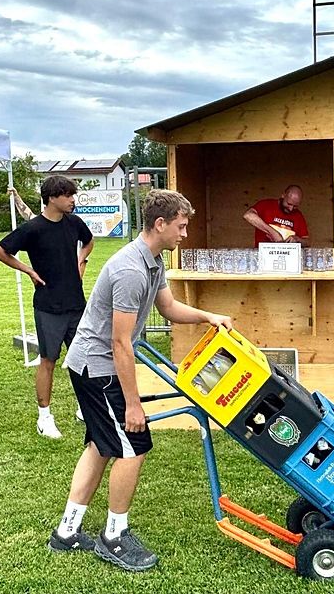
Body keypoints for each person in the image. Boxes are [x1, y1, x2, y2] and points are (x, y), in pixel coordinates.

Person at [50, 189, 232, 571]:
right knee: (133, 445)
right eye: (181, 227)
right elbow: (120, 343)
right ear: (160, 224)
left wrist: (207, 317)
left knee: (101, 446)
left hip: (96, 363)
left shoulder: (153, 260)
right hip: (97, 368)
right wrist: (133, 404)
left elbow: (167, 307)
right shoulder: (131, 270)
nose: (185, 234)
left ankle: (67, 532)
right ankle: (113, 536)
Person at [0, 176, 94, 438]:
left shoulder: (74, 223)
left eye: (74, 194)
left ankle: (86, 408)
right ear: (52, 198)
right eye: (68, 195)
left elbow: (89, 240)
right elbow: (0, 251)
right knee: (48, 360)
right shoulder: (33, 229)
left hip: (76, 303)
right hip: (48, 305)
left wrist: (81, 261)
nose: (73, 200)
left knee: (82, 358)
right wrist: (28, 270)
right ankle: (44, 418)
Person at [243, 185, 309, 246]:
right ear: (283, 195)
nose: (291, 209)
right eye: (289, 204)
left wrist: (297, 239)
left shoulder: (298, 216)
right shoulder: (267, 205)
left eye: (295, 206)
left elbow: (307, 242)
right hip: (264, 254)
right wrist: (273, 233)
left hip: (287, 256)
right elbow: (248, 215)